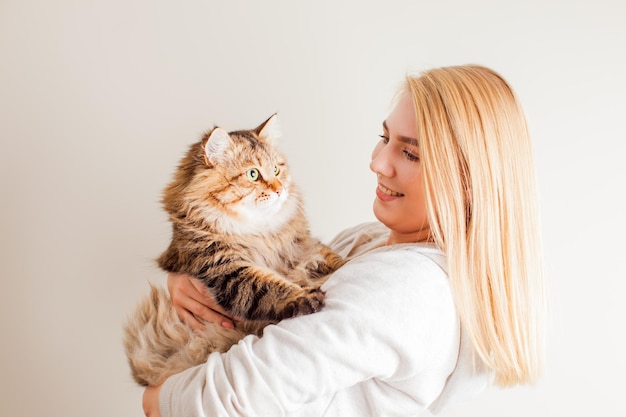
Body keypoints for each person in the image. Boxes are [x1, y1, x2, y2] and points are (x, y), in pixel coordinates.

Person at [143, 64, 546, 417]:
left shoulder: (408, 286)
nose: (377, 162)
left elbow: (220, 402)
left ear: (469, 183)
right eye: (384, 137)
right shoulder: (367, 241)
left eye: (410, 154)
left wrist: (159, 398)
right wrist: (196, 277)